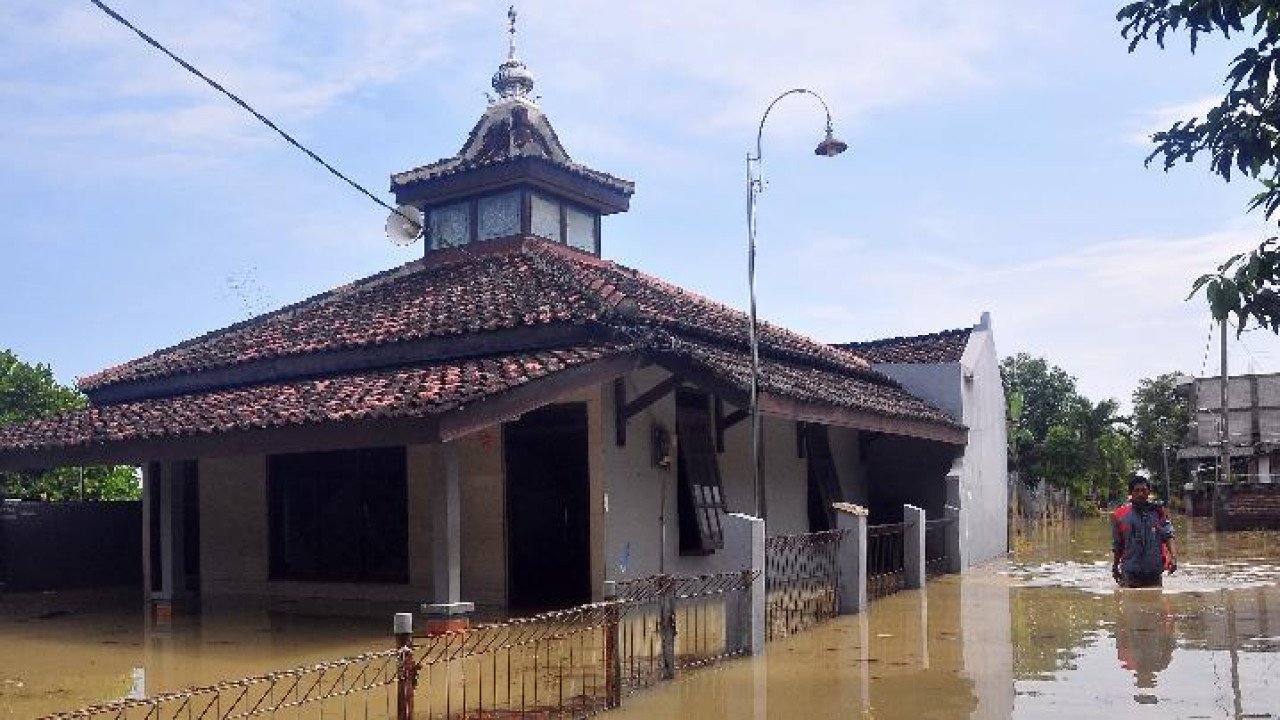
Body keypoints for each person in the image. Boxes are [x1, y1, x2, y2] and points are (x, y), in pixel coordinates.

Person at [1111, 475, 1177, 588]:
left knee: (1156, 602)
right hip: (1130, 572)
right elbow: (1118, 544)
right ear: (1131, 493)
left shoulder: (1158, 512)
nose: (1141, 494)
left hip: (1153, 571)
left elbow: (1168, 535)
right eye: (1137, 490)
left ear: (1149, 492)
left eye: (1144, 490)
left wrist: (1174, 557)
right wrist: (1115, 566)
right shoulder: (1120, 515)